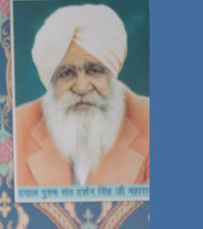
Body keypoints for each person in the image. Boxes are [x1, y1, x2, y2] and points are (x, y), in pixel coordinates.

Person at [14, 4, 148, 187]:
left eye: (94, 70)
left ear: (112, 72)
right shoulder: (18, 127)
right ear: (51, 80)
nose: (82, 88)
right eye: (66, 73)